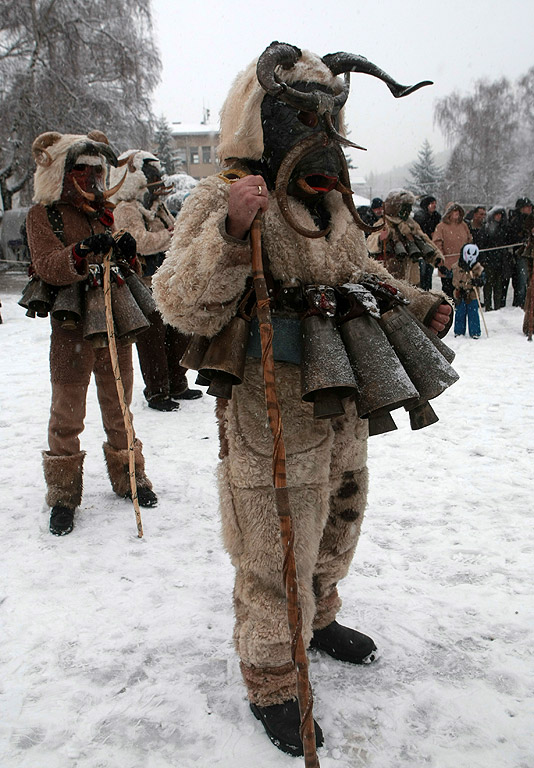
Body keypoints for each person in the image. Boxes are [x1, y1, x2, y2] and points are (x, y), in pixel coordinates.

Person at [153, 43, 453, 757]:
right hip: (268, 405)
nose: (319, 134)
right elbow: (178, 302)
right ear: (263, 122)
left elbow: (360, 270)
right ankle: (272, 678)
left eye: (328, 117)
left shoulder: (331, 206)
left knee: (338, 516)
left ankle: (318, 619)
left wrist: (412, 301)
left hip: (339, 391)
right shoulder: (220, 195)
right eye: (300, 116)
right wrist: (230, 231)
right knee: (275, 539)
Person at [26, 131, 157, 536]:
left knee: (120, 403)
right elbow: (48, 264)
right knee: (67, 412)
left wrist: (128, 252)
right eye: (79, 169)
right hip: (71, 326)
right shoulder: (41, 215)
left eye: (95, 170)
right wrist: (80, 253)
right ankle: (64, 495)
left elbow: (125, 265)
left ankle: (131, 477)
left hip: (113, 317)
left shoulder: (108, 211)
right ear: (62, 173)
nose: (89, 177)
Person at [109, 150, 202, 411]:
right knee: (153, 338)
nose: (158, 182)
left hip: (167, 279)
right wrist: (170, 236)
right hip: (144, 282)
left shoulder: (156, 208)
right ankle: (158, 391)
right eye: (152, 175)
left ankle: (177, 383)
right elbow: (137, 240)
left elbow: (173, 232)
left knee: (178, 332)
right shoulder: (126, 209)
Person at [366, 188, 442, 286]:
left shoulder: (411, 224)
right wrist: (379, 239)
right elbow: (370, 242)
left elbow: (424, 239)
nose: (409, 210)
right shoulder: (384, 223)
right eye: (406, 207)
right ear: (396, 208)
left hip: (411, 274)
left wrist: (436, 257)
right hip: (390, 273)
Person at [452, 243, 484, 338]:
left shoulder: (478, 268)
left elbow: (483, 279)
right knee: (460, 313)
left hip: (473, 294)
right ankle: (459, 331)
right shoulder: (456, 267)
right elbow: (451, 277)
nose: (470, 257)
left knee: (473, 313)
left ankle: (475, 332)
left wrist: (478, 281)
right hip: (460, 293)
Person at [480, 206, 508, 311]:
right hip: (489, 260)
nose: (499, 217)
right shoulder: (486, 228)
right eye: (497, 214)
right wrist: (484, 260)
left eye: (500, 215)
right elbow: (482, 245)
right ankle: (488, 306)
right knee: (488, 285)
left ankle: (497, 307)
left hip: (500, 261)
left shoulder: (504, 228)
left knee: (498, 286)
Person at [507, 197, 533, 307]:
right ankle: (520, 303)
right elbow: (512, 237)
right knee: (522, 281)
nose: (530, 208)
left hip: (530, 254)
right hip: (521, 254)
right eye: (527, 207)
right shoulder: (516, 221)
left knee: (529, 280)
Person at [413, 195, 441, 290]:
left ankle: (427, 290)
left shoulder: (436, 216)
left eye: (435, 203)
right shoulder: (420, 216)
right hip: (422, 246)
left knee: (429, 272)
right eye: (432, 203)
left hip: (431, 246)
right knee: (422, 272)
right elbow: (419, 231)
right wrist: (429, 233)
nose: (434, 205)